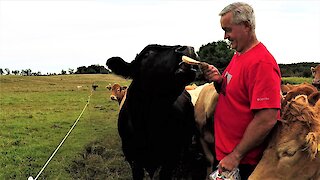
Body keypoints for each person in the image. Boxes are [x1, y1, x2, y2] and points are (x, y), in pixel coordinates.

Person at [202, 2, 281, 179]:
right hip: (227, 156)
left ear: (246, 25)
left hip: (244, 164)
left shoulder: (262, 63)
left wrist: (236, 155)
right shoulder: (239, 55)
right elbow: (235, 94)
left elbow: (267, 118)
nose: (225, 36)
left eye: (228, 30)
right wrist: (219, 81)